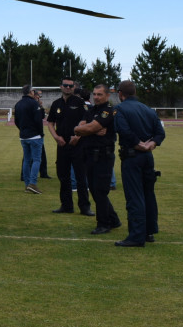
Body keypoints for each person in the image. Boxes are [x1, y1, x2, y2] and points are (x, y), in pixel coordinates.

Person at [112, 80, 166, 247]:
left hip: (132, 156)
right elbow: (160, 133)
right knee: (148, 194)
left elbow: (124, 131)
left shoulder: (120, 109)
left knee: (134, 196)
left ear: (121, 94)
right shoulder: (148, 110)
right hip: (147, 157)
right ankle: (149, 231)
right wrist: (151, 144)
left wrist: (138, 144)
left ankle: (136, 236)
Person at [73, 84, 121, 234]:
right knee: (94, 189)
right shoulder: (91, 110)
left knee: (100, 190)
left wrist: (86, 129)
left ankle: (103, 224)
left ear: (107, 96)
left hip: (103, 155)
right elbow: (82, 127)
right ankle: (113, 219)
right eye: (94, 94)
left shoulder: (109, 111)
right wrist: (85, 129)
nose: (96, 97)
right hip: (90, 154)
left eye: (100, 94)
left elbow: (87, 129)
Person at [46, 77, 93, 216]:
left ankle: (85, 207)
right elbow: (50, 123)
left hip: (78, 145)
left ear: (74, 88)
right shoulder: (56, 104)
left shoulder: (80, 103)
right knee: (63, 176)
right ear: (60, 86)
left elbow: (86, 121)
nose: (68, 88)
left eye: (70, 86)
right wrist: (56, 137)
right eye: (65, 85)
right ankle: (66, 205)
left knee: (80, 177)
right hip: (62, 145)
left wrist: (78, 136)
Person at [13, 84, 45, 194]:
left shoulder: (18, 104)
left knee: (27, 160)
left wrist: (22, 130)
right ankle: (33, 183)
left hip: (23, 136)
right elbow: (39, 119)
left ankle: (27, 184)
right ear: (30, 92)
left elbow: (16, 121)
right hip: (35, 136)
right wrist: (41, 133)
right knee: (36, 160)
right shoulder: (33, 103)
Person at [18, 89, 50, 181]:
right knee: (31, 158)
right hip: (34, 134)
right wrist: (40, 133)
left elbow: (42, 116)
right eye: (38, 95)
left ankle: (43, 173)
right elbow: (38, 119)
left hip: (31, 134)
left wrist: (40, 105)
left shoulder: (35, 104)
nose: (39, 97)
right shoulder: (31, 104)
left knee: (40, 155)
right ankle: (26, 177)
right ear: (33, 94)